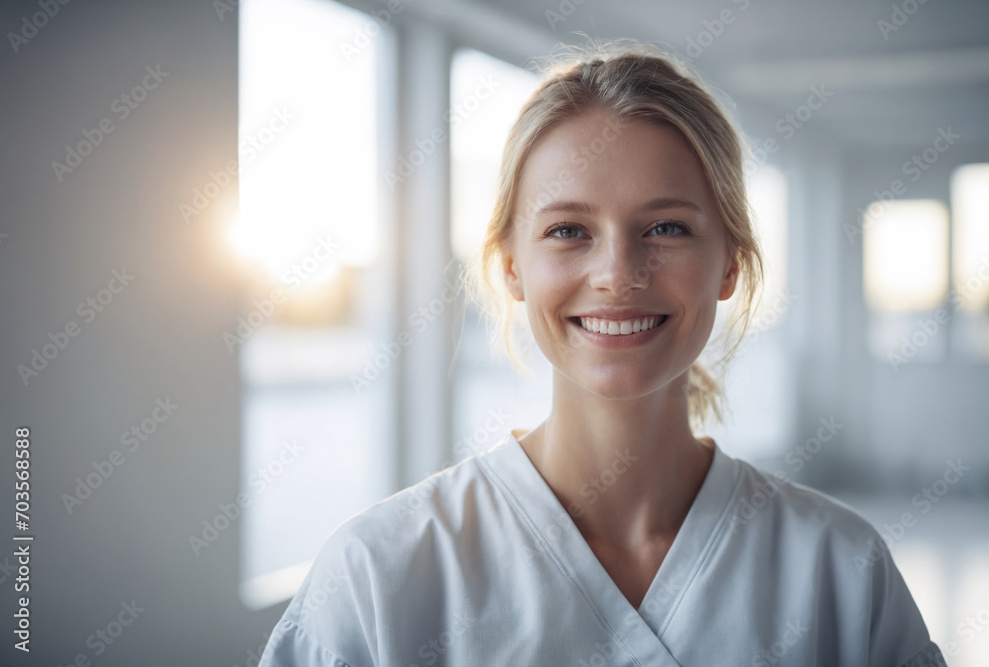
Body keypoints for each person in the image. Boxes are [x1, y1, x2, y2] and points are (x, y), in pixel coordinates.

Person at [258, 39, 946, 666]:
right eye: (568, 230)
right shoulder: (378, 575)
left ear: (730, 263)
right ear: (510, 268)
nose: (619, 272)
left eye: (667, 226)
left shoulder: (841, 574)